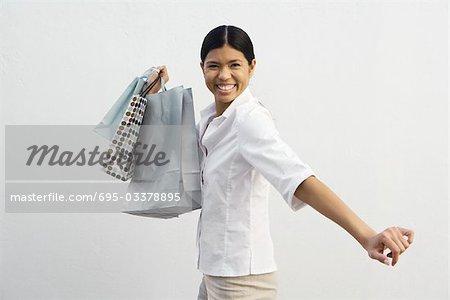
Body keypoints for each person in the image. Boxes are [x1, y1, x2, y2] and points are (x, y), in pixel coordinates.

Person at [146, 25, 415, 300]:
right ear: (202, 67)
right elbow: (178, 162)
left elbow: (299, 180)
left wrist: (366, 236)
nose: (224, 75)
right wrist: (158, 97)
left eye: (234, 65)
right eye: (214, 65)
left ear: (252, 67)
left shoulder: (249, 121)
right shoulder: (209, 121)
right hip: (216, 270)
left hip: (241, 280)